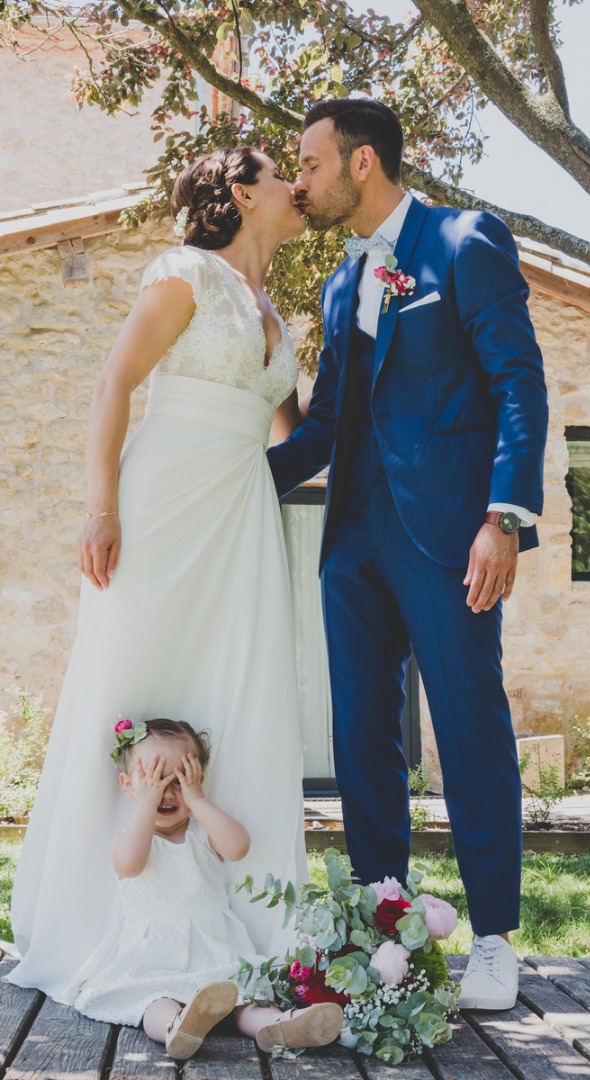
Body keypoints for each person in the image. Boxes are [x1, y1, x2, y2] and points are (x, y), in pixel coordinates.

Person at [8, 147, 309, 1003]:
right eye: (280, 174)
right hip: (163, 501)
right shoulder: (187, 273)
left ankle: (245, 920)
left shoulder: (274, 311)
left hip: (241, 516)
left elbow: (297, 438)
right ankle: (97, 911)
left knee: (241, 686)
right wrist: (100, 509)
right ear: (242, 193)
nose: (296, 185)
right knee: (126, 679)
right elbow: (114, 383)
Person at [268, 99, 548, 1011]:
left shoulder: (464, 241)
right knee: (360, 736)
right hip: (353, 542)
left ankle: (494, 939)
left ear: (362, 163)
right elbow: (325, 428)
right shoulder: (338, 285)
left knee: (468, 728)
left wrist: (503, 518)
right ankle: (382, 926)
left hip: (451, 537)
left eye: (309, 163)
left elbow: (517, 381)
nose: (299, 180)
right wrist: (231, 485)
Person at [73, 718, 342, 1061]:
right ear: (127, 785)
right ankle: (177, 1026)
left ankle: (277, 1025)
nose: (166, 793)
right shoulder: (131, 840)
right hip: (152, 955)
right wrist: (145, 805)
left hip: (215, 946)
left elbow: (238, 847)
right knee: (152, 1000)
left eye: (178, 780)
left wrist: (196, 798)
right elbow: (129, 865)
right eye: (154, 780)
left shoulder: (202, 833)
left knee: (245, 996)